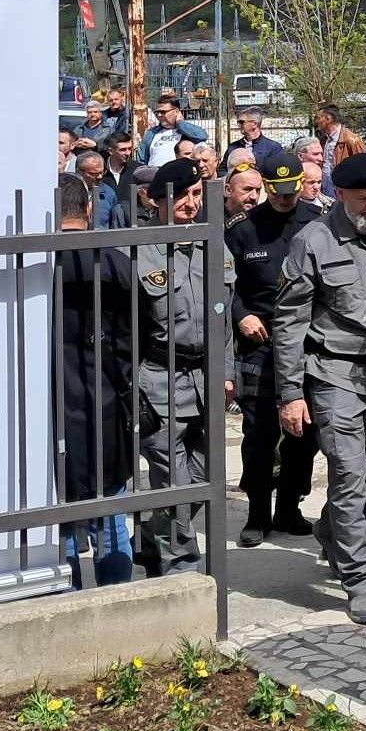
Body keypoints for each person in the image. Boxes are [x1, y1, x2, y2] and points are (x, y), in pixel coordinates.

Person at [271, 152, 366, 624]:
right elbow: (290, 323)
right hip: (334, 372)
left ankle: (333, 530)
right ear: (340, 195)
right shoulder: (312, 240)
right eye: (365, 200)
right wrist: (290, 393)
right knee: (349, 473)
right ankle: (360, 578)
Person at [133, 159, 236, 576]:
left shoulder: (215, 245)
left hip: (205, 376)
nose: (191, 204)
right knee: (172, 480)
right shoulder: (137, 250)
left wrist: (226, 370)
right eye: (182, 195)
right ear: (156, 200)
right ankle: (181, 567)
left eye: (197, 195)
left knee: (204, 473)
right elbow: (125, 329)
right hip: (159, 379)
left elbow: (224, 321)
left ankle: (154, 536)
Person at [227, 153, 322, 547]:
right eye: (278, 192)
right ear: (266, 187)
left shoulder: (318, 222)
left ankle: (289, 507)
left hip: (307, 343)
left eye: (292, 190)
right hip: (260, 346)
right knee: (260, 433)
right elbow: (225, 287)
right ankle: (257, 513)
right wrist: (241, 315)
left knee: (303, 433)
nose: (286, 198)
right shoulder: (243, 230)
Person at [51, 175, 137, 588]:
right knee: (110, 517)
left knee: (60, 522)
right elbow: (137, 335)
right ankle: (115, 601)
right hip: (103, 402)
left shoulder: (36, 263)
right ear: (88, 209)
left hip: (48, 405)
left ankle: (66, 601)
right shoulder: (114, 261)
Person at [138, 99, 208, 167]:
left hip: (177, 174)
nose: (159, 115)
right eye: (157, 112)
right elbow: (142, 159)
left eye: (163, 112)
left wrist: (180, 123)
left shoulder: (186, 132)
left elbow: (202, 136)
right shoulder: (151, 133)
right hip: (154, 174)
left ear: (176, 111)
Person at [76, 151, 127, 230]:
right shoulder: (69, 192)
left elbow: (115, 225)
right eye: (93, 174)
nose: (99, 177)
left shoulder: (108, 193)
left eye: (102, 172)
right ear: (79, 172)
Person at [314, 105, 352, 197]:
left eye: (318, 118)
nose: (316, 121)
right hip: (326, 191)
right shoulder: (324, 139)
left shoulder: (351, 140)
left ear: (328, 119)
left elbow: (362, 167)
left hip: (343, 192)